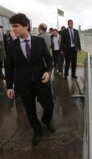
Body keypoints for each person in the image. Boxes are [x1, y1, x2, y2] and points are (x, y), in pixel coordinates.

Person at [5, 13, 55, 146]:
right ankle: (37, 131)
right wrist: (9, 86)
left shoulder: (39, 41)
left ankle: (46, 120)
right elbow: (9, 67)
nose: (13, 29)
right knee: (30, 110)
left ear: (26, 26)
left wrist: (48, 71)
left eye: (16, 26)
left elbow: (49, 59)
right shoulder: (11, 46)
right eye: (12, 26)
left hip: (41, 81)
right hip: (24, 84)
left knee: (49, 105)